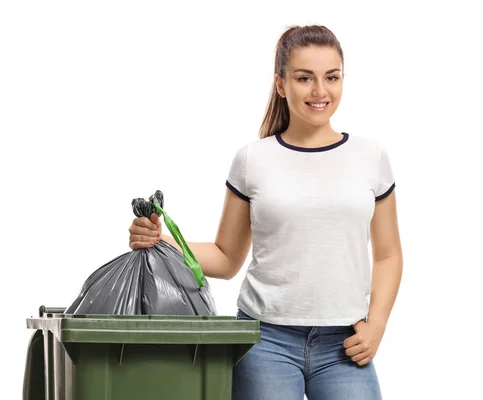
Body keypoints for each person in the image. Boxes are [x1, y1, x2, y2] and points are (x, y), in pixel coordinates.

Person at [128, 24, 403, 400]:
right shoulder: (253, 160)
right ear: (281, 84)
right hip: (265, 341)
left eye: (332, 77)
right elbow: (226, 258)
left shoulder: (371, 158)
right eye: (304, 78)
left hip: (346, 344)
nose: (320, 91)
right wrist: (161, 240)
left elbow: (388, 253)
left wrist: (377, 325)